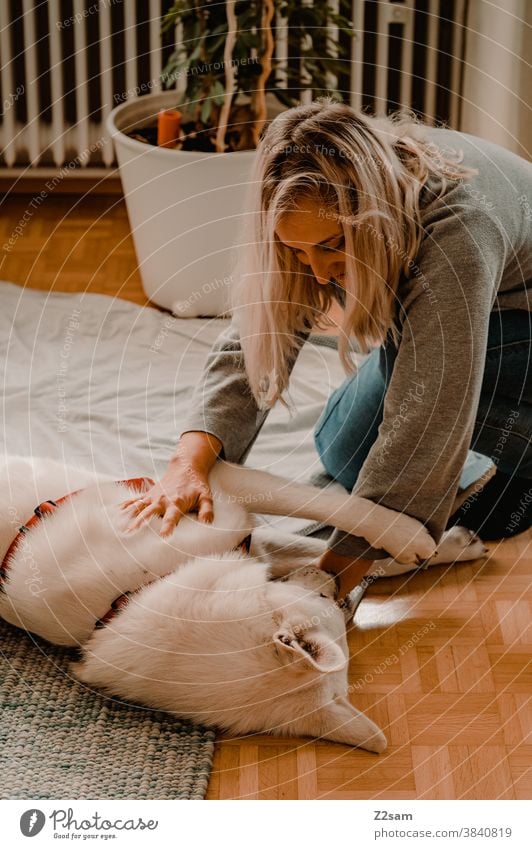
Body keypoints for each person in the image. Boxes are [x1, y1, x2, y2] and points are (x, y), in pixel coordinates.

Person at [122, 97, 532, 601]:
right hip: (494, 315)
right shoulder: (336, 165)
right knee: (344, 443)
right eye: (298, 251)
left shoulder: (458, 233)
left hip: (522, 331)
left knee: (410, 466)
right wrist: (189, 461)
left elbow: (428, 411)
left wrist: (326, 582)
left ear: (373, 218)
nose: (316, 274)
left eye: (333, 246)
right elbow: (259, 333)